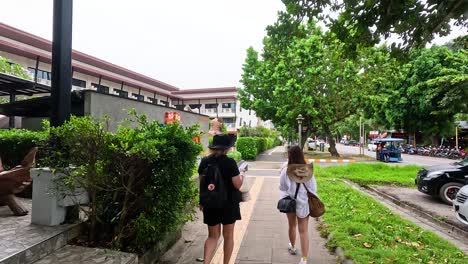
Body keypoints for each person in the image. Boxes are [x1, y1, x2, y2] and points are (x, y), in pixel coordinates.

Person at [198, 134, 244, 264]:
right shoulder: (230, 162)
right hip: (229, 204)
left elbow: (202, 184)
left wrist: (202, 202)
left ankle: (206, 262)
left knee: (212, 236)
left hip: (210, 203)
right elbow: (238, 184)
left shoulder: (205, 161)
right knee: (228, 236)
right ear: (227, 148)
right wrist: (243, 176)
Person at [279, 146, 317, 264]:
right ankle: (304, 259)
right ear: (301, 155)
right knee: (304, 231)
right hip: (304, 203)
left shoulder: (286, 170)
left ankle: (293, 246)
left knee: (292, 226)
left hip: (290, 202)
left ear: (290, 156)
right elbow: (313, 188)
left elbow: (283, 187)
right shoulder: (308, 170)